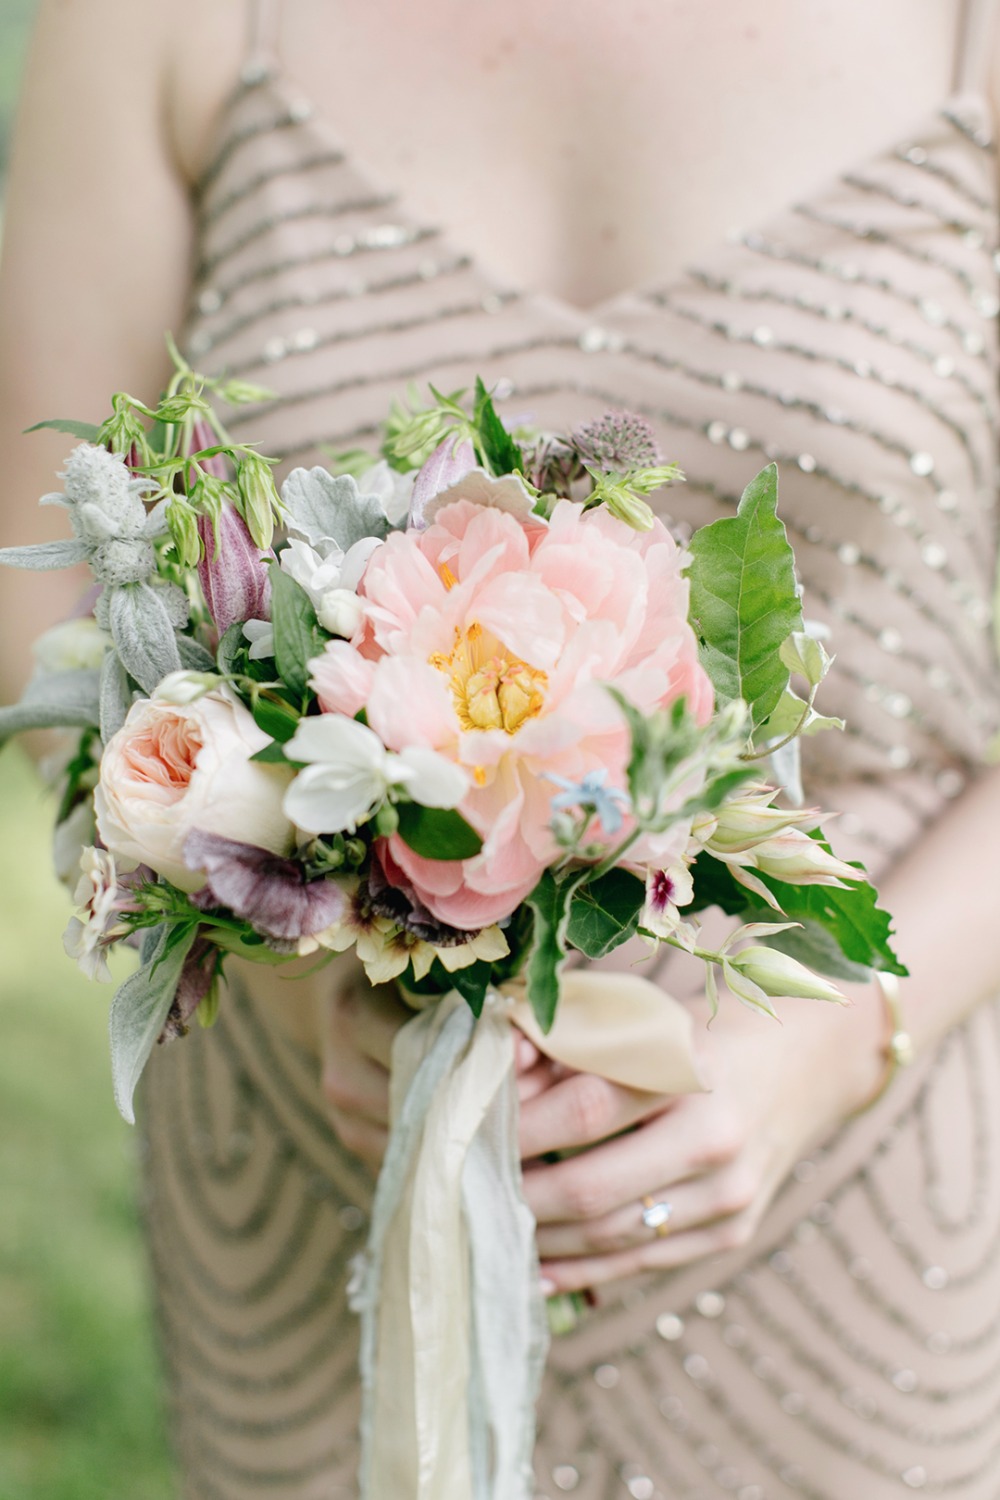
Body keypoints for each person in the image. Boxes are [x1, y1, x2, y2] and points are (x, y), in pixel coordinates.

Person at [3, 0, 1000, 1495]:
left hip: (863, 1195)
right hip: (314, 1168)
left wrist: (829, 1046)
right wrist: (289, 979)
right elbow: (52, 595)